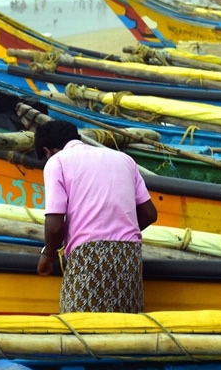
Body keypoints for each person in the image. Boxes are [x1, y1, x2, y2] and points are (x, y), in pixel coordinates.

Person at [35, 120, 157, 313]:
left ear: (47, 151)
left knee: (78, 329)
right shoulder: (124, 159)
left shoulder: (57, 162)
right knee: (123, 330)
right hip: (129, 257)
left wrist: (48, 256)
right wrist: (117, 229)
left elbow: (55, 226)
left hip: (88, 257)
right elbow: (150, 214)